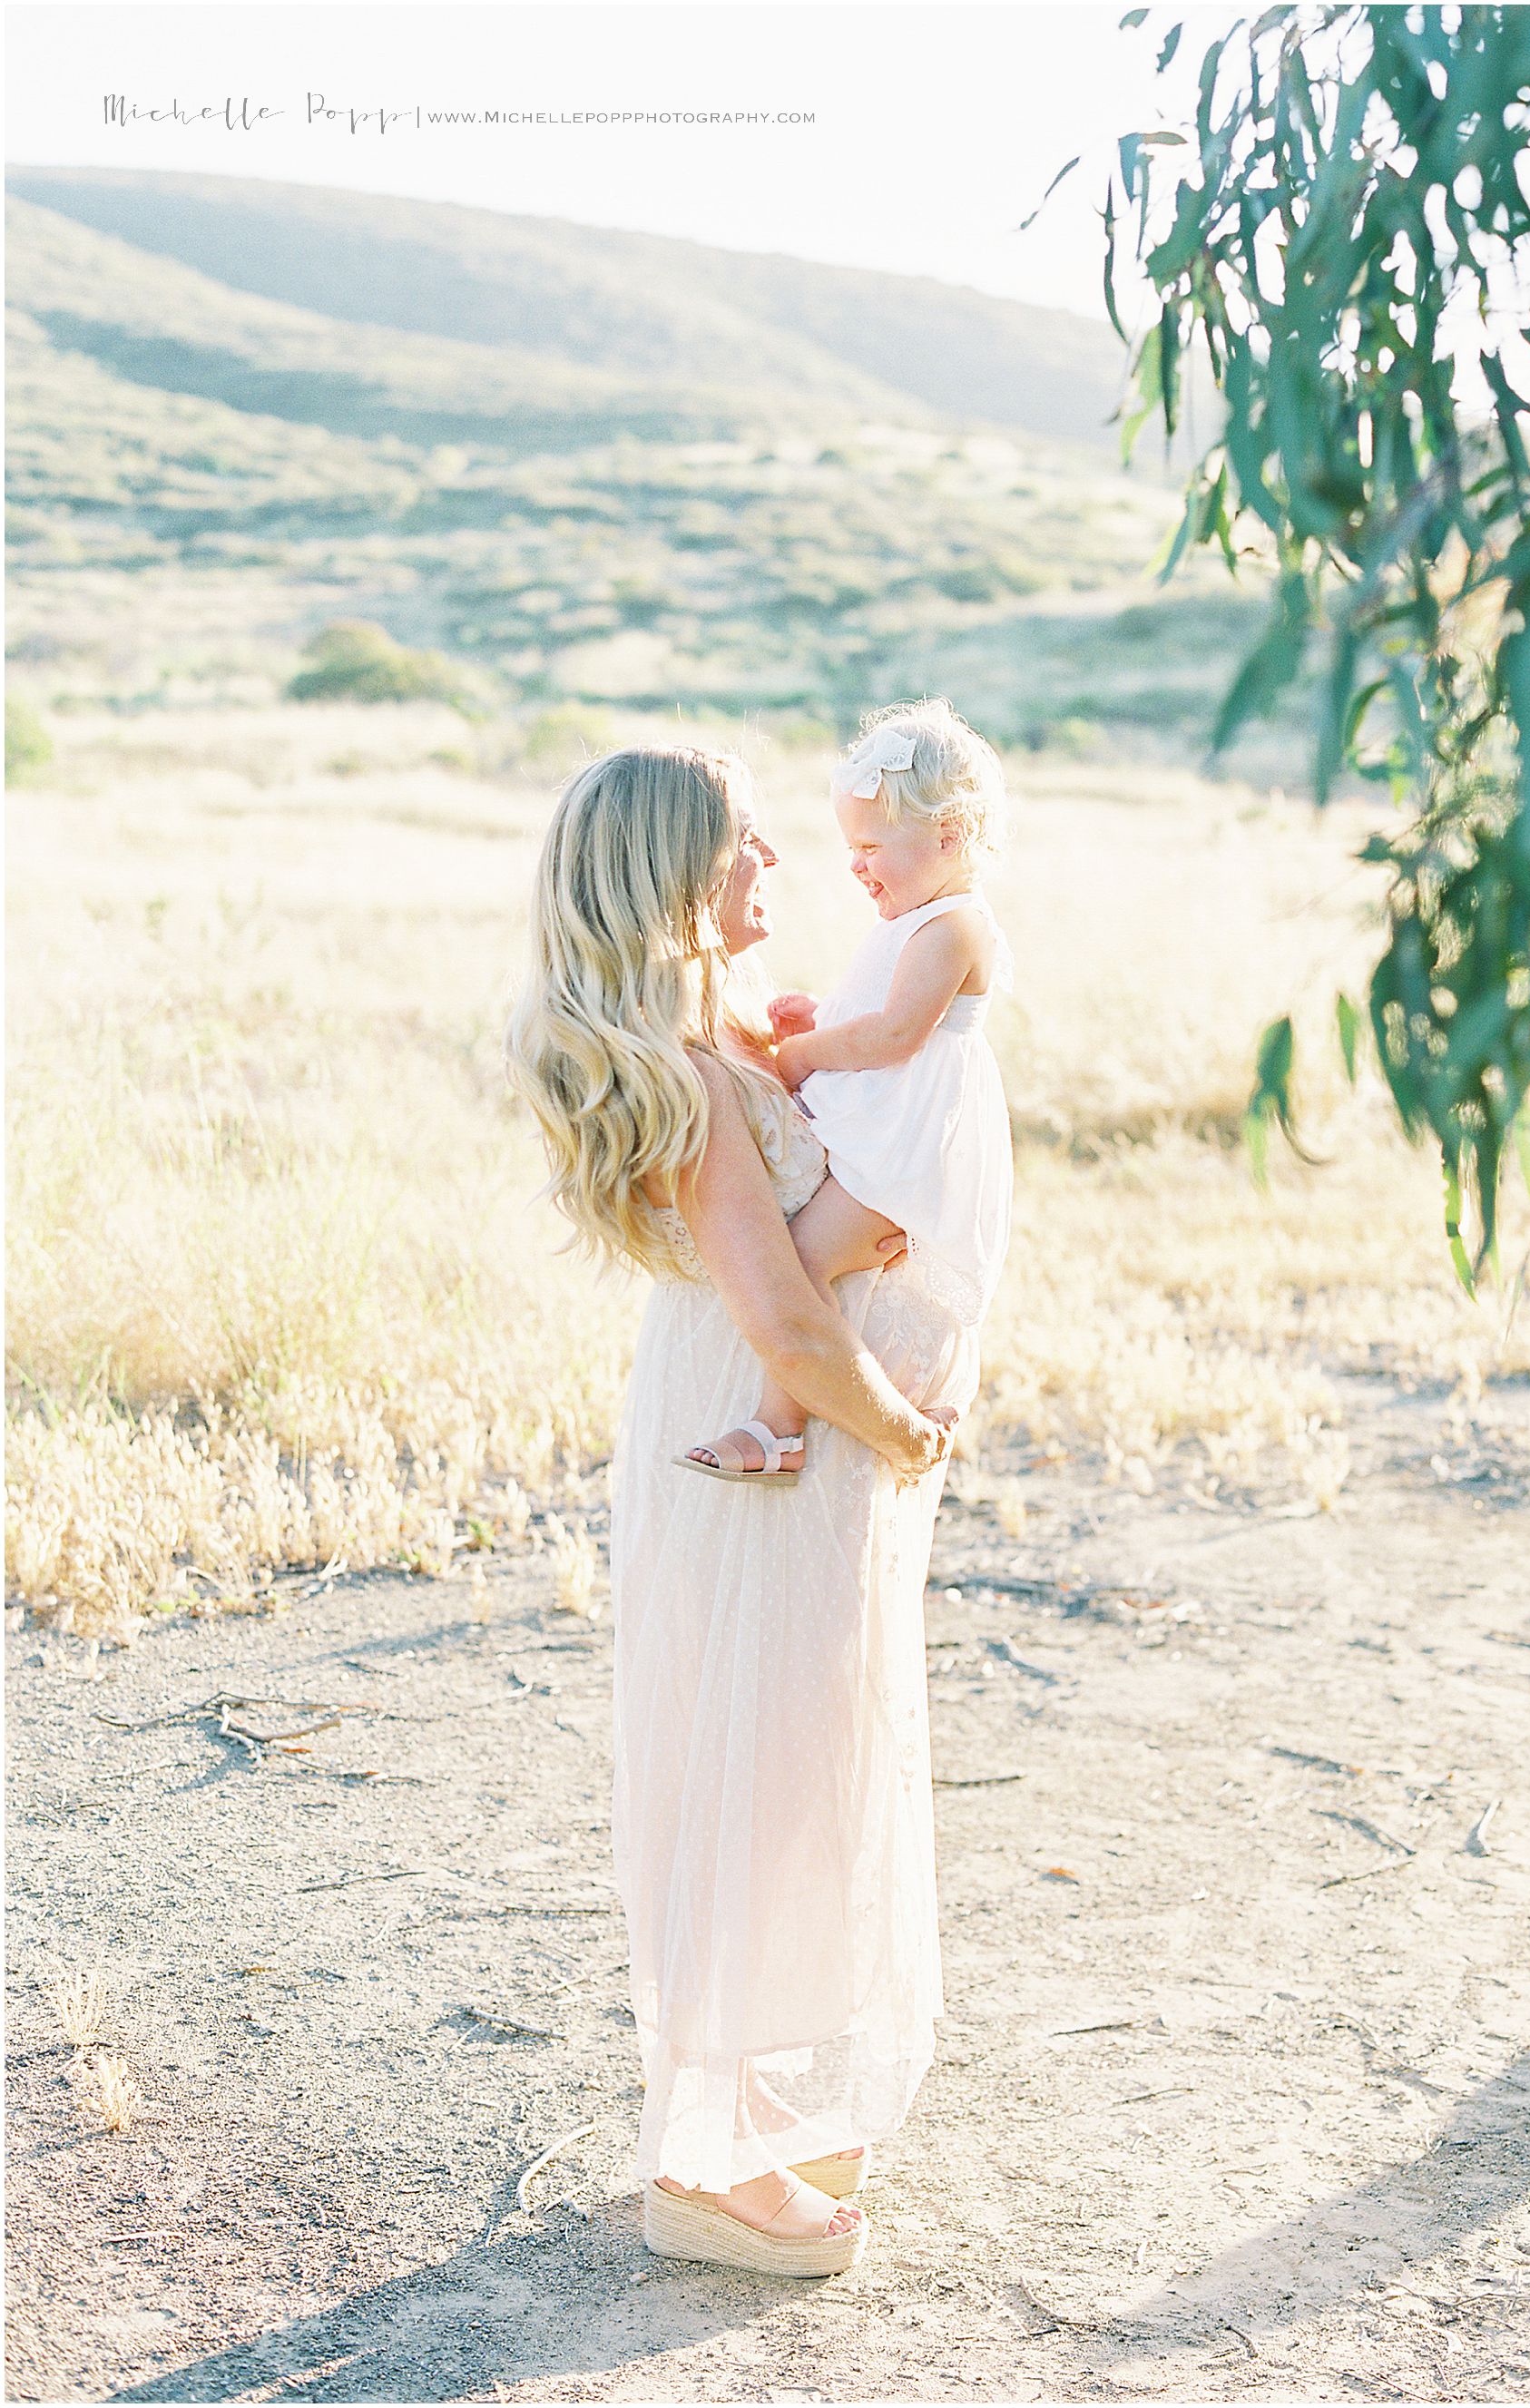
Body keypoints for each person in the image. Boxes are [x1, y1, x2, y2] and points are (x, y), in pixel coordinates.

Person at [504, 741, 976, 2279]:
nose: (774, 860)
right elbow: (781, 1317)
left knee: (764, 1754)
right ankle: (706, 2167)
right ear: (676, 873)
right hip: (755, 1435)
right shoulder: (695, 1077)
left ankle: (739, 2113)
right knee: (762, 1770)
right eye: (745, 841)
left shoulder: (696, 1045)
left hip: (717, 1425)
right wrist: (902, 1430)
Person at [679, 700, 1014, 1487]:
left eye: (870, 846)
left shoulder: (955, 926)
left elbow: (895, 1037)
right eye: (850, 847)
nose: (855, 865)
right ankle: (820, 1414)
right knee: (808, 1258)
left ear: (948, 836)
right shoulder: (917, 917)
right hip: (884, 1126)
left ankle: (780, 1427)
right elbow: (878, 1024)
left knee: (799, 1264)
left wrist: (800, 1055)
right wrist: (822, 1018)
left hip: (905, 1147)